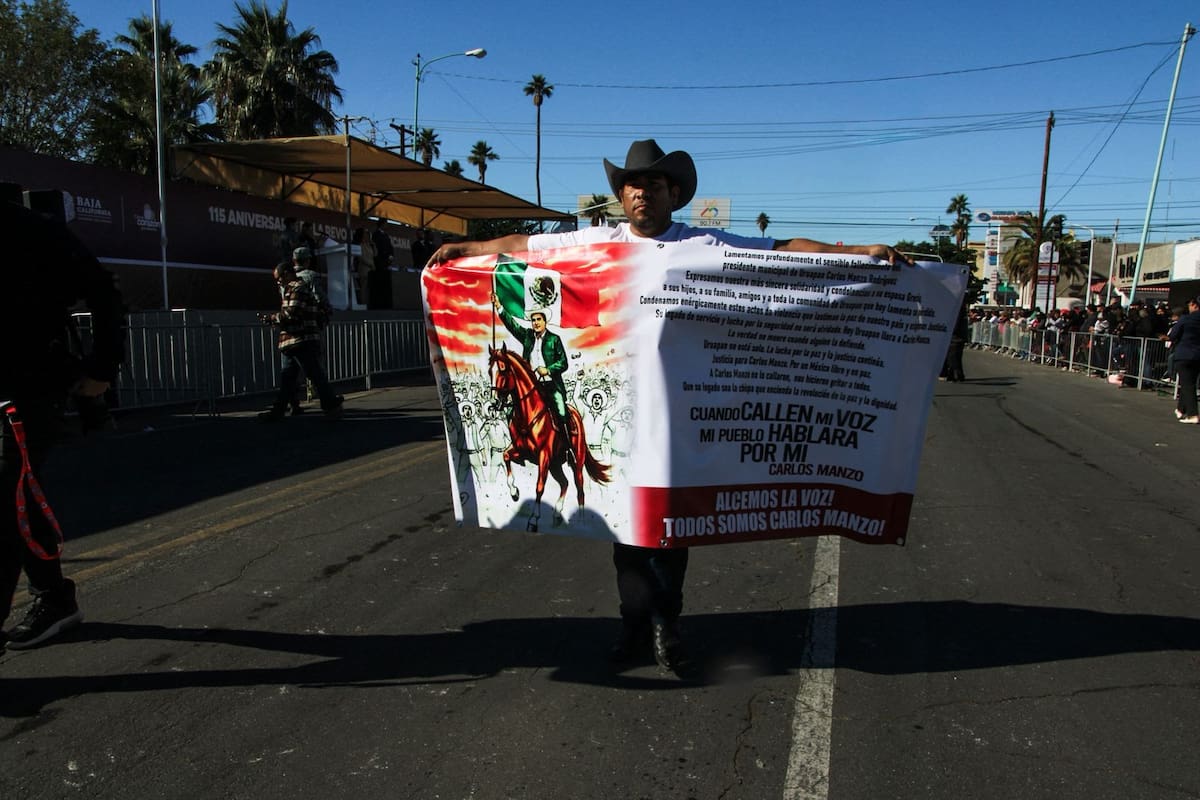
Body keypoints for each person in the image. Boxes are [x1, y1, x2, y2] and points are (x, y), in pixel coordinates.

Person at [429, 139, 910, 673]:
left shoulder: (702, 242)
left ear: (672, 194)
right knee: (623, 531)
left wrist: (852, 254)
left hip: (675, 418)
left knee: (668, 528)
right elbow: (528, 246)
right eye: (632, 185)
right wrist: (472, 249)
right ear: (621, 195)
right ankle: (633, 626)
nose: (641, 194)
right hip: (619, 413)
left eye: (653, 185)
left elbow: (779, 251)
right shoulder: (596, 242)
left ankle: (667, 626)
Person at [1, 198, 126, 650]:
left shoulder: (30, 227)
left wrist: (102, 369)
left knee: (7, 497)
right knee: (20, 497)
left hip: (25, 387)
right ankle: (54, 596)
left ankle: (53, 598)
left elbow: (104, 292)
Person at [258, 261, 343, 422]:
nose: (278, 282)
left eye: (279, 278)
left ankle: (331, 405)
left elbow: (291, 314)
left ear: (288, 273)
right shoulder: (295, 288)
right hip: (294, 341)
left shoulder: (297, 288)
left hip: (300, 340)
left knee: (311, 374)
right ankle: (281, 409)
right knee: (290, 378)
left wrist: (271, 318)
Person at [491, 294, 575, 446]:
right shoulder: (527, 336)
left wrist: (548, 370)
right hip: (532, 386)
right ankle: (519, 445)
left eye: (538, 320)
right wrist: (499, 306)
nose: (536, 323)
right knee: (512, 411)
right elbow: (512, 325)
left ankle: (567, 447)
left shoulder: (554, 339)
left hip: (551, 385)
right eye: (533, 320)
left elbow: (563, 363)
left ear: (545, 321)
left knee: (562, 411)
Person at [1166, 296, 1200, 423]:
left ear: (1195, 305)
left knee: (1187, 384)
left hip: (1185, 354)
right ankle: (1181, 409)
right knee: (1189, 383)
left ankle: (1193, 414)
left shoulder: (1186, 319)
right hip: (1198, 355)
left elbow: (1173, 335)